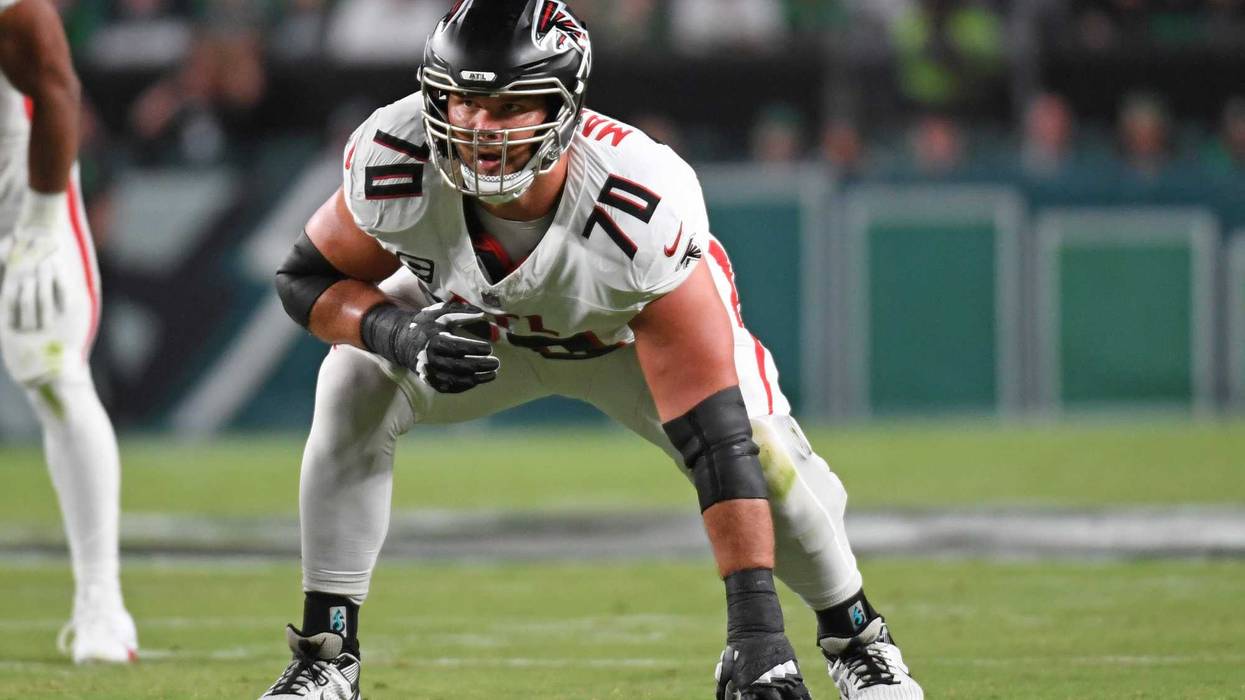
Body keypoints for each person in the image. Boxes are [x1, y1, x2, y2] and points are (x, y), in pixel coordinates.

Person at [266, 2, 923, 699]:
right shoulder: (396, 157)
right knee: (351, 376)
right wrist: (396, 333)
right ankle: (327, 656)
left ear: (563, 105)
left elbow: (717, 441)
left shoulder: (635, 205)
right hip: (483, 328)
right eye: (461, 101)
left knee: (770, 468)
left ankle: (858, 639)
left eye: (506, 106)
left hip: (623, 339)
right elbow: (304, 278)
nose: (478, 127)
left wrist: (755, 632)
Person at [0, 0, 137, 664]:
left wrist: (42, 223)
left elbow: (57, 83)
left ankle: (101, 606)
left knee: (53, 374)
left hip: (19, 207)